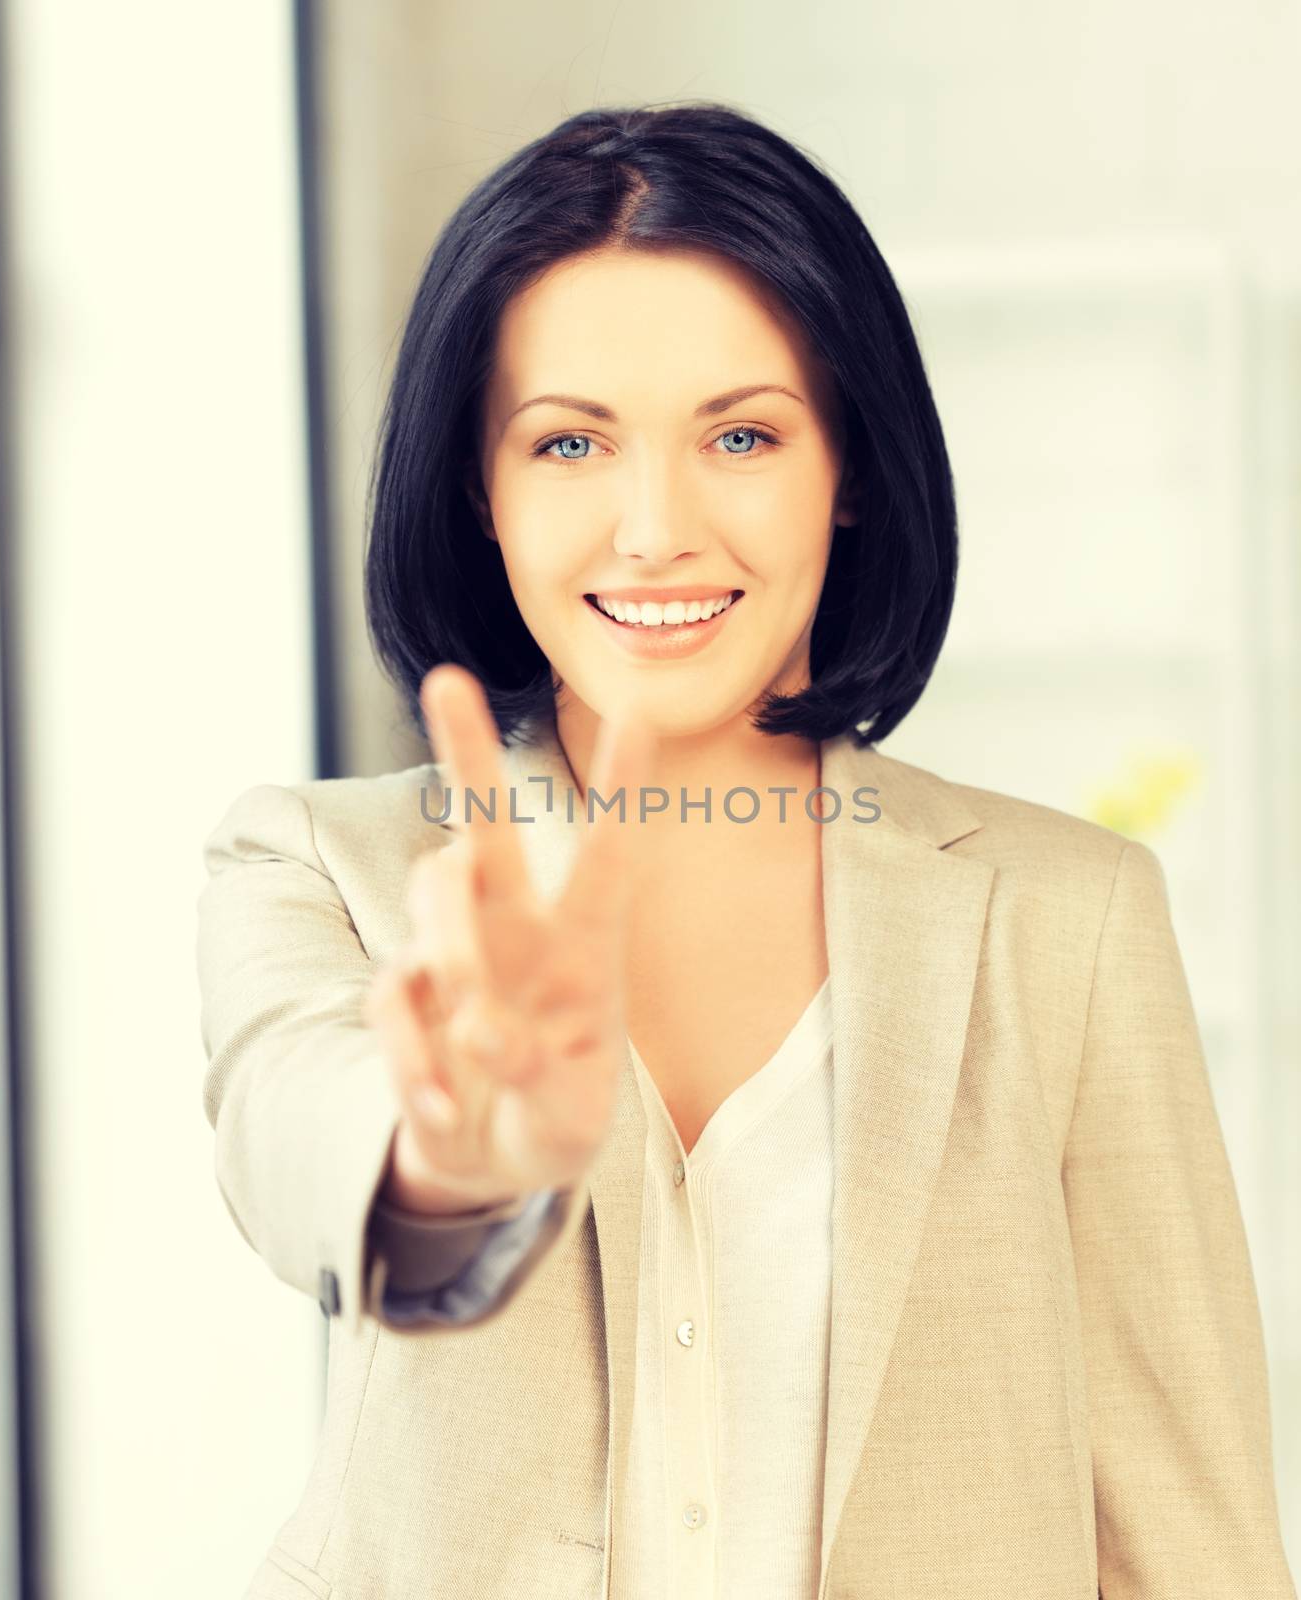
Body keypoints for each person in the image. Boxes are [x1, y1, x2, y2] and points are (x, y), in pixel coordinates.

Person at [195, 102, 1297, 1600]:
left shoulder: (1071, 920)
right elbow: (300, 1142)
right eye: (571, 441)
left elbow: (1192, 1540)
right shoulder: (320, 865)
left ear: (847, 465)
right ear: (479, 485)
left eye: (741, 434)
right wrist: (454, 1153)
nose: (656, 528)